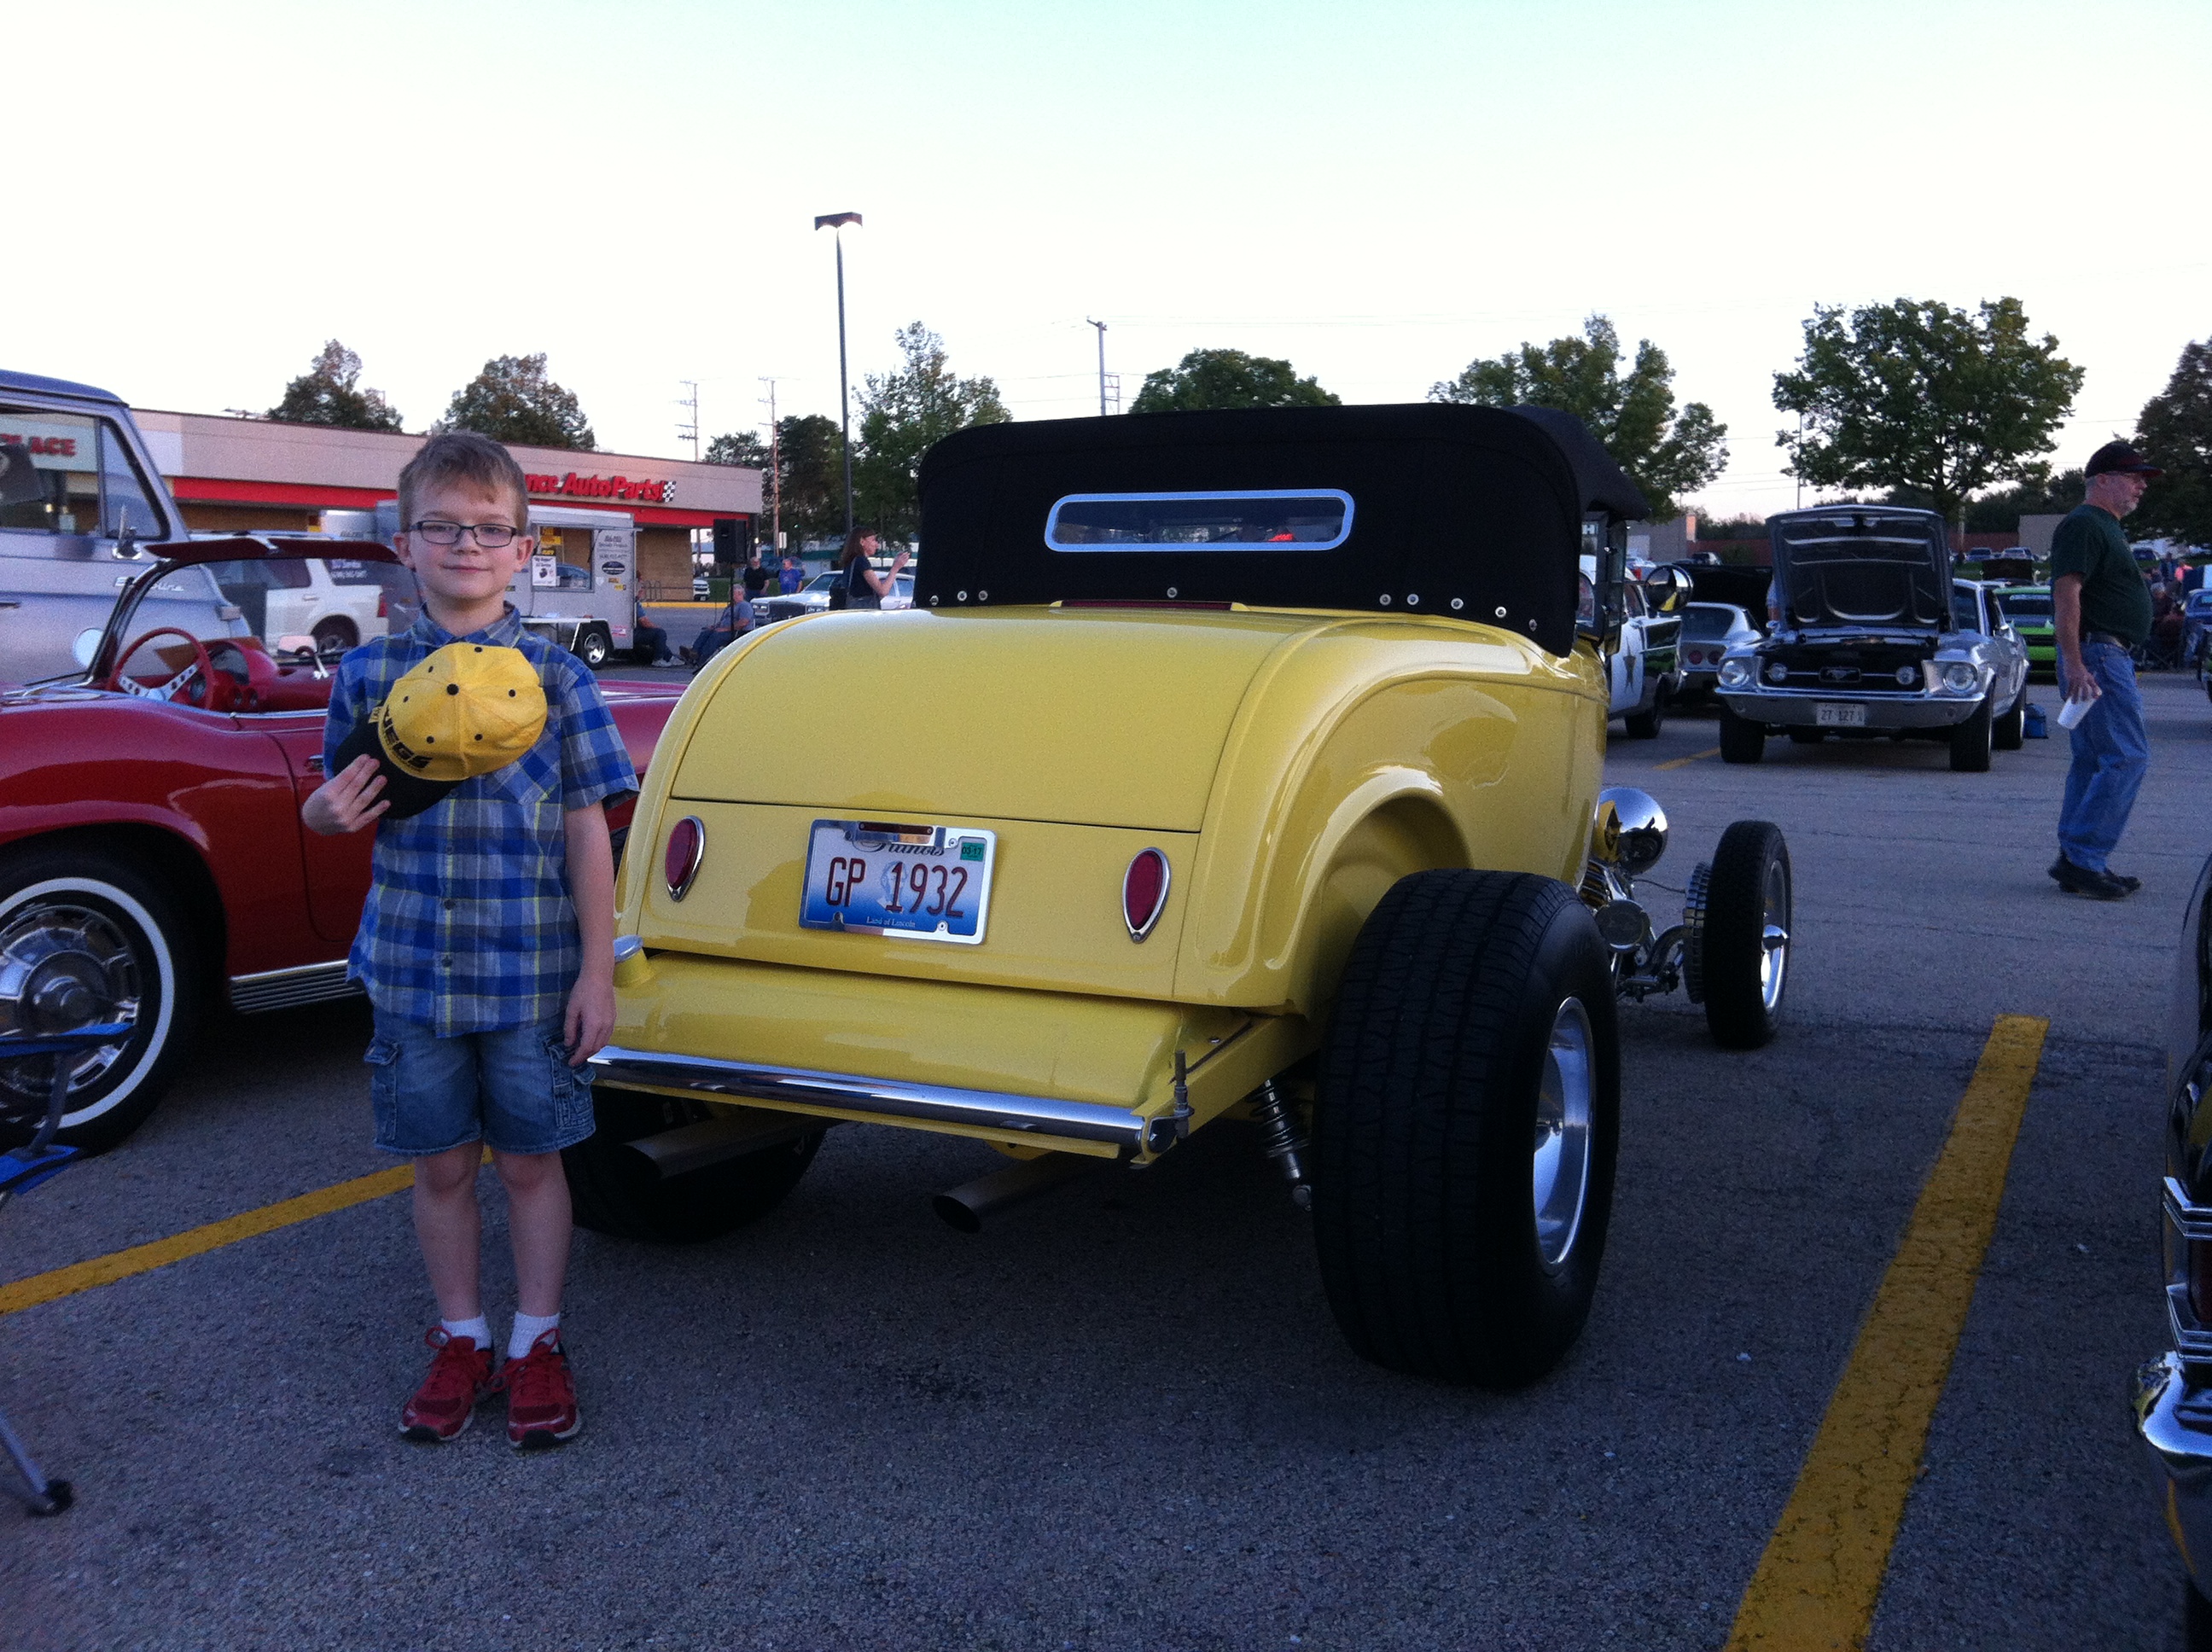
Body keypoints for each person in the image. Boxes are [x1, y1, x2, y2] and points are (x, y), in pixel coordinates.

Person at [303, 431, 637, 1449]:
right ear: (404, 544)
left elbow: (588, 830)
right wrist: (319, 816)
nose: (466, 544)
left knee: (533, 1166)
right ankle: (462, 1336)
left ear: (525, 548)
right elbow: (334, 803)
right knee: (441, 1167)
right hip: (413, 970)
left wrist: (597, 972)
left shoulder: (559, 677)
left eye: (490, 529)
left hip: (531, 974)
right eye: (442, 526)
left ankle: (536, 1339)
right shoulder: (366, 675)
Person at [2050, 439, 2163, 899]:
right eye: (2133, 478)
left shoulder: (2105, 527)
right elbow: (2066, 595)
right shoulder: (2085, 524)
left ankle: (2077, 857)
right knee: (2127, 757)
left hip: (2102, 655)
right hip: (2098, 656)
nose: (2141, 486)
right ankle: (2084, 858)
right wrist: (2075, 662)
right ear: (2102, 480)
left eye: (2142, 480)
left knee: (2094, 760)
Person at [835, 526, 908, 610]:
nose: (877, 545)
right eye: (873, 540)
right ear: (862, 542)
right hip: (864, 612)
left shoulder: (851, 561)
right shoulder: (862, 561)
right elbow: (882, 591)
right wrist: (896, 568)